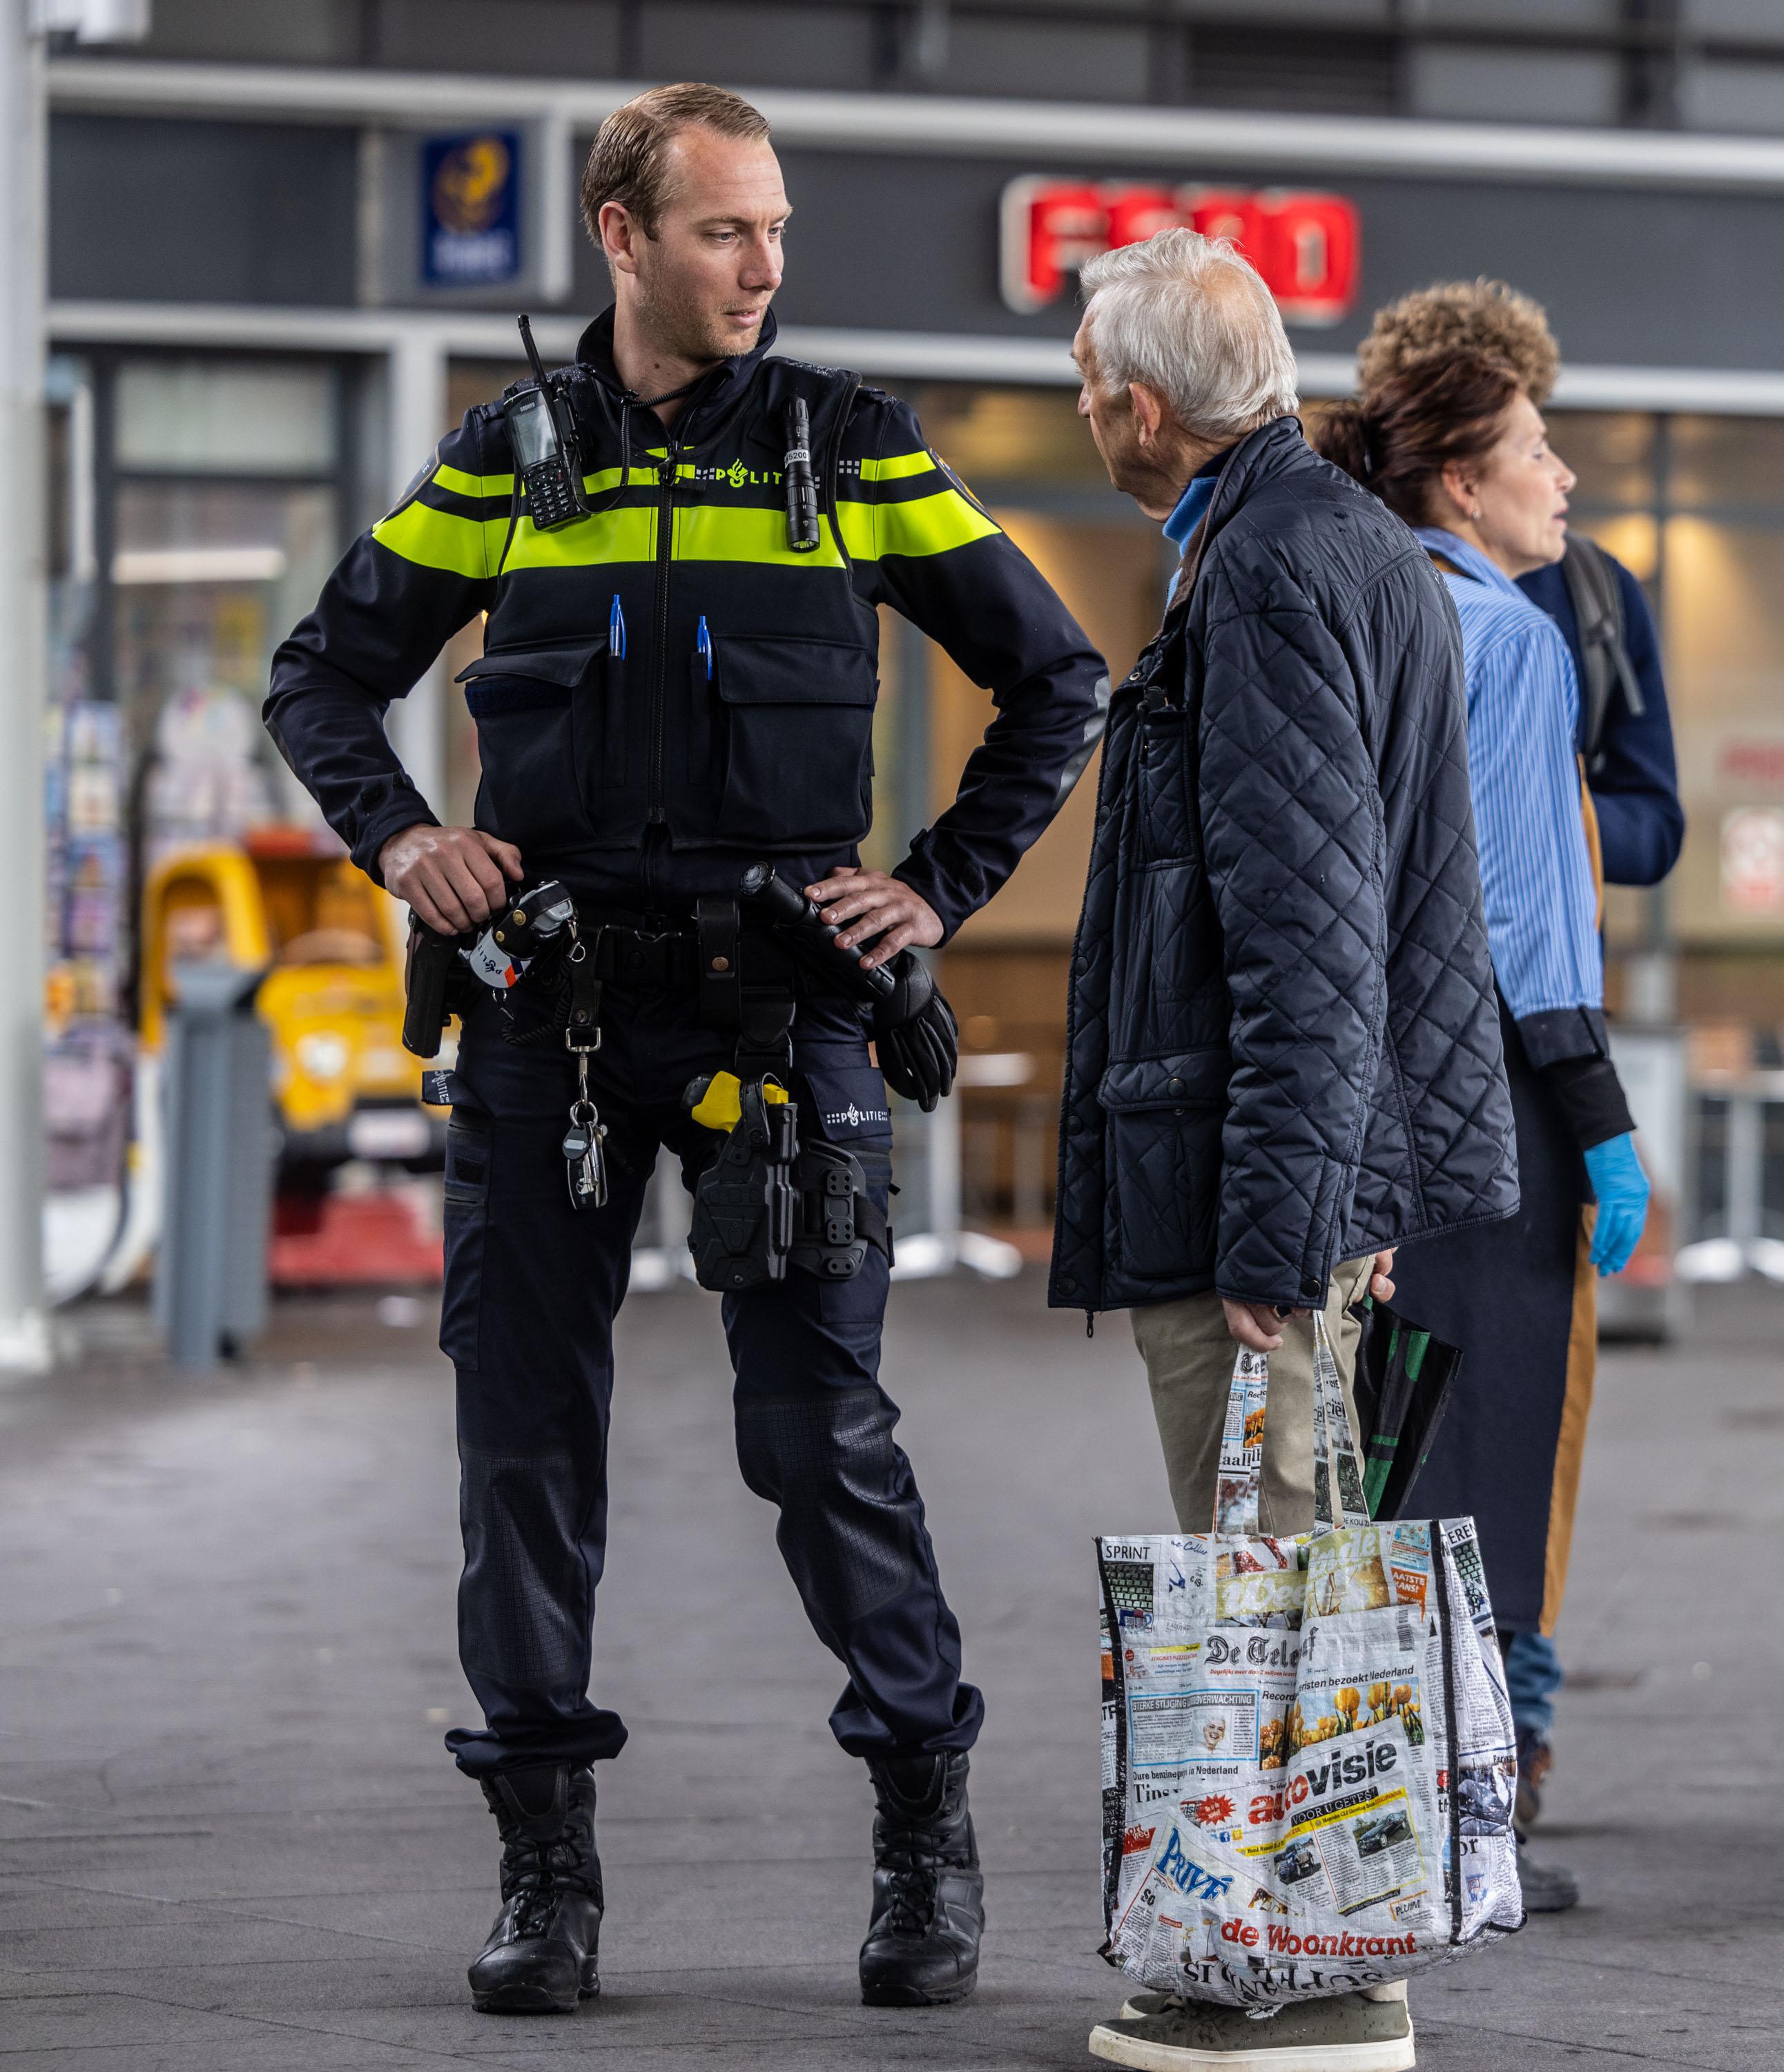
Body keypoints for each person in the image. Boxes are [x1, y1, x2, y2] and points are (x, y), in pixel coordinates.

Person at [262, 84, 1112, 2014]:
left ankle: (921, 1827)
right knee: (525, 1459)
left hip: (782, 1015)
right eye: (726, 230)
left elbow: (1057, 676)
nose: (765, 267)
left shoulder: (848, 450)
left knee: (819, 1442)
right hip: (538, 1024)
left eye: (776, 231)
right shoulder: (504, 460)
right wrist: (405, 838)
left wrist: (940, 886)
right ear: (620, 232)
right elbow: (322, 673)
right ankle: (546, 1880)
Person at [1058, 229, 1518, 2072]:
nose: (1084, 411)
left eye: (1092, 381)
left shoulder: (1255, 581)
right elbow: (1397, 909)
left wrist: (1273, 1232)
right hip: (1322, 1173)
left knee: (1275, 1573)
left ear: (1145, 408)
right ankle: (1284, 1953)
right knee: (1303, 1565)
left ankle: (1316, 1979)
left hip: (1254, 1197)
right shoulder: (1347, 547)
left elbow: (1308, 944)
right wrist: (1355, 1192)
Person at [1308, 350, 1654, 1918]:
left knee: (1370, 1460)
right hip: (1483, 1101)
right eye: (1534, 450)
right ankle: (1464, 1831)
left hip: (1341, 1088)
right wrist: (1596, 1118)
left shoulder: (1343, 601)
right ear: (1459, 483)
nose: (1561, 479)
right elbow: (1517, 912)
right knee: (1484, 1460)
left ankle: (1358, 1811)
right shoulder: (1504, 635)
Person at [1356, 280, 1686, 889]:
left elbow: (1655, 827)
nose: (1559, 473)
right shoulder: (1348, 585)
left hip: (1538, 959)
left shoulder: (1597, 592)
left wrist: (1540, 808)